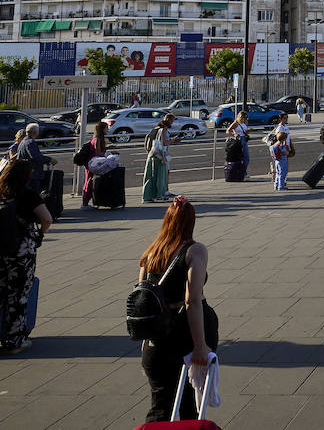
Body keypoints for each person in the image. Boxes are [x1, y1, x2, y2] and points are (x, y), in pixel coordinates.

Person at [138, 197, 218, 424]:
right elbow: (192, 300)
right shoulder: (195, 251)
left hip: (157, 339)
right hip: (184, 336)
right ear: (191, 222)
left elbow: (144, 298)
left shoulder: (150, 254)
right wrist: (200, 346)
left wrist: (146, 338)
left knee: (160, 407)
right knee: (189, 409)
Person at [0, 159, 52, 357]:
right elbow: (47, 219)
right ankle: (14, 340)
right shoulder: (29, 195)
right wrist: (40, 233)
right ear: (26, 176)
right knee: (17, 295)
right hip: (19, 251)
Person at [142, 115, 181, 203]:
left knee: (150, 177)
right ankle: (159, 196)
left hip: (152, 155)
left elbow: (149, 144)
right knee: (161, 177)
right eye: (171, 121)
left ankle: (147, 197)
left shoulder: (154, 130)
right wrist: (173, 140)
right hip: (160, 156)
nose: (172, 123)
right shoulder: (163, 129)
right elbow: (164, 143)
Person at [15, 123, 55, 192]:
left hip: (24, 172)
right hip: (32, 173)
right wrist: (49, 159)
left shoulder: (23, 142)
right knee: (34, 194)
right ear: (35, 132)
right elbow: (35, 157)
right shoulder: (30, 142)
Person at [80, 121, 108, 210]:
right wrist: (107, 153)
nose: (107, 130)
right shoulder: (98, 139)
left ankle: (86, 202)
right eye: (106, 128)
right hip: (92, 163)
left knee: (89, 180)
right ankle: (85, 203)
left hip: (91, 162)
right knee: (89, 181)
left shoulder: (95, 138)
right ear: (102, 129)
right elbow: (98, 153)